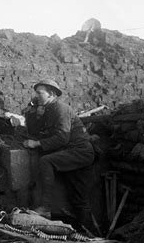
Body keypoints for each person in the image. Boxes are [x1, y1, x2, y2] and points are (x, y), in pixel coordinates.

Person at [22, 79, 95, 234]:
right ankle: (81, 232)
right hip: (69, 152)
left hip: (80, 151)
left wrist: (37, 144)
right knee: (75, 196)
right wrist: (33, 112)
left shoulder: (60, 109)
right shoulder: (48, 110)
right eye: (36, 93)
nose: (37, 96)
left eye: (40, 93)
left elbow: (62, 137)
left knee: (46, 161)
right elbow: (35, 130)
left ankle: (47, 206)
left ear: (52, 94)